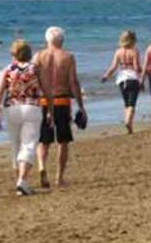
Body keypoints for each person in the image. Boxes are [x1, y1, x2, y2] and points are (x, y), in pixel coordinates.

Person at [0, 40, 49, 196]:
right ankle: (22, 181)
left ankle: (21, 182)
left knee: (16, 146)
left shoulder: (8, 70)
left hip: (12, 108)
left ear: (14, 54)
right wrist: (49, 108)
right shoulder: (35, 69)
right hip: (32, 107)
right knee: (29, 145)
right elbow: (46, 89)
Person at [33, 26, 87, 188]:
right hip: (61, 101)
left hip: (43, 102)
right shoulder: (68, 57)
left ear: (47, 40)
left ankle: (42, 167)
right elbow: (73, 82)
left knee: (43, 141)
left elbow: (33, 80)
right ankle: (59, 177)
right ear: (62, 40)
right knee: (63, 141)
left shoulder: (38, 56)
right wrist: (81, 105)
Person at [101, 30, 142, 133]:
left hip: (121, 79)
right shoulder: (134, 51)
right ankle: (128, 121)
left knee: (126, 103)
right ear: (132, 40)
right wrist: (142, 73)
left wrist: (106, 76)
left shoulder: (118, 52)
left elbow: (113, 67)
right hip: (132, 78)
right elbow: (136, 67)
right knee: (132, 103)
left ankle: (129, 125)